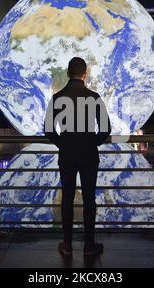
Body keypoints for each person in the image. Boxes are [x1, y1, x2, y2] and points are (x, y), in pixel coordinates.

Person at [44, 57, 111, 256]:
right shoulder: (94, 97)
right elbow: (106, 128)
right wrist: (93, 142)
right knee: (89, 198)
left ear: (67, 72)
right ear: (85, 73)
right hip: (88, 153)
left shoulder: (58, 97)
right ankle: (89, 245)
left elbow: (48, 129)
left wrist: (62, 143)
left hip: (67, 153)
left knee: (67, 198)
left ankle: (67, 244)